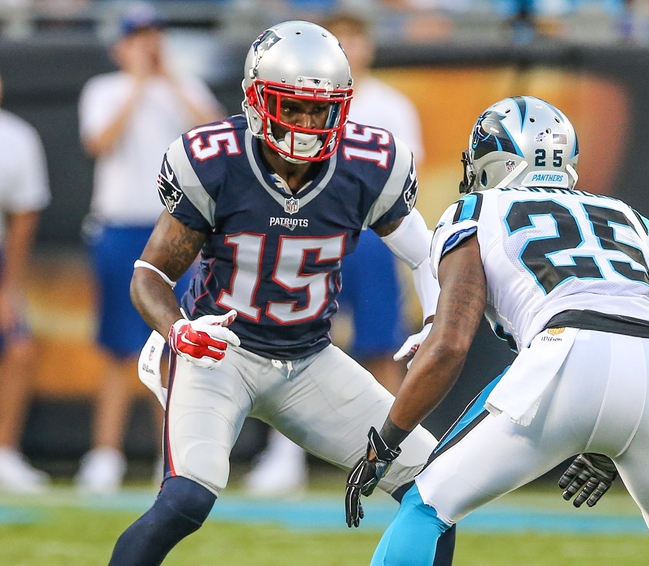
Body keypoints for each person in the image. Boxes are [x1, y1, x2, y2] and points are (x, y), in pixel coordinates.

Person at [345, 96, 649, 566]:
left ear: (497, 160)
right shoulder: (623, 215)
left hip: (567, 353)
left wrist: (385, 442)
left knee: (426, 506)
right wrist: (619, 432)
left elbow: (450, 345)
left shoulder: (476, 210)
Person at [107, 21, 453, 565]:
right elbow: (149, 274)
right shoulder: (215, 160)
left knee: (439, 485)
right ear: (255, 99)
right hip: (220, 353)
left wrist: (436, 321)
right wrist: (179, 330)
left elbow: (427, 252)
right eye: (292, 107)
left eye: (321, 109)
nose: (308, 124)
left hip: (308, 360)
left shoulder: (366, 165)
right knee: (186, 500)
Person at [243, 12, 428, 497]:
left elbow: (402, 189)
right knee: (284, 338)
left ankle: (392, 450)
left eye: (354, 40)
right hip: (304, 226)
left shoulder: (392, 104)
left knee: (381, 344)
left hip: (370, 233)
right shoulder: (294, 98)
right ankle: (283, 456)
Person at [76, 2, 223, 494]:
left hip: (178, 233)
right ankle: (105, 456)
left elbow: (221, 134)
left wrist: (172, 81)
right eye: (138, 36)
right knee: (120, 349)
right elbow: (99, 141)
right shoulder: (105, 89)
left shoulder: (183, 86)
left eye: (154, 35)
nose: (148, 44)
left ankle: (176, 455)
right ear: (121, 45)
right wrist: (139, 84)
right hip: (120, 229)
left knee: (183, 347)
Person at [0, 73, 52, 494]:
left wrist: (8, 288)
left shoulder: (16, 137)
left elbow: (23, 215)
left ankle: (5, 451)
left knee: (18, 348)